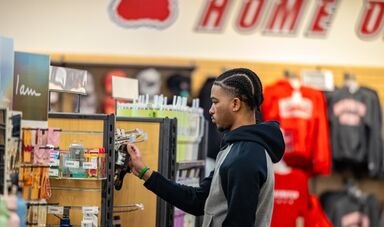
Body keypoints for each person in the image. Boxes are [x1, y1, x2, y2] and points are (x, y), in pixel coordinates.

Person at [127, 68, 285, 227]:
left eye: (215, 102)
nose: (210, 110)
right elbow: (198, 200)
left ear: (235, 104)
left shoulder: (246, 156)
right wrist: (144, 172)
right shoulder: (234, 148)